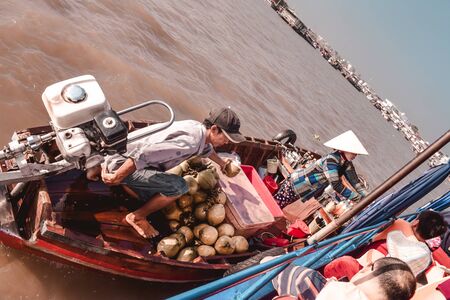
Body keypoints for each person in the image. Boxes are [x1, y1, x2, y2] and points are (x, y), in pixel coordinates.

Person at [95, 107, 246, 238]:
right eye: (226, 138)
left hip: (120, 152)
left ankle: (120, 180)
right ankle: (137, 217)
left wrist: (222, 163)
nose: (227, 142)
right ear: (214, 129)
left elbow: (206, 149)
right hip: (121, 162)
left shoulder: (197, 129)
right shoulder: (189, 143)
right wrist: (116, 177)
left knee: (156, 194)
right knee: (179, 187)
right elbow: (142, 154)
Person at [274, 130, 368, 208]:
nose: (356, 155)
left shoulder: (346, 164)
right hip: (295, 184)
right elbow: (336, 184)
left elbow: (355, 182)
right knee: (276, 205)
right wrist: (358, 199)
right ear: (345, 149)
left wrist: (368, 197)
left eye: (356, 154)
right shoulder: (331, 160)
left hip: (306, 190)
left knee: (282, 206)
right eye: (354, 153)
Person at [272, 257, 417, 300]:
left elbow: (271, 270)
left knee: (269, 261)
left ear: (366, 268)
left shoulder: (309, 280)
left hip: (282, 278)